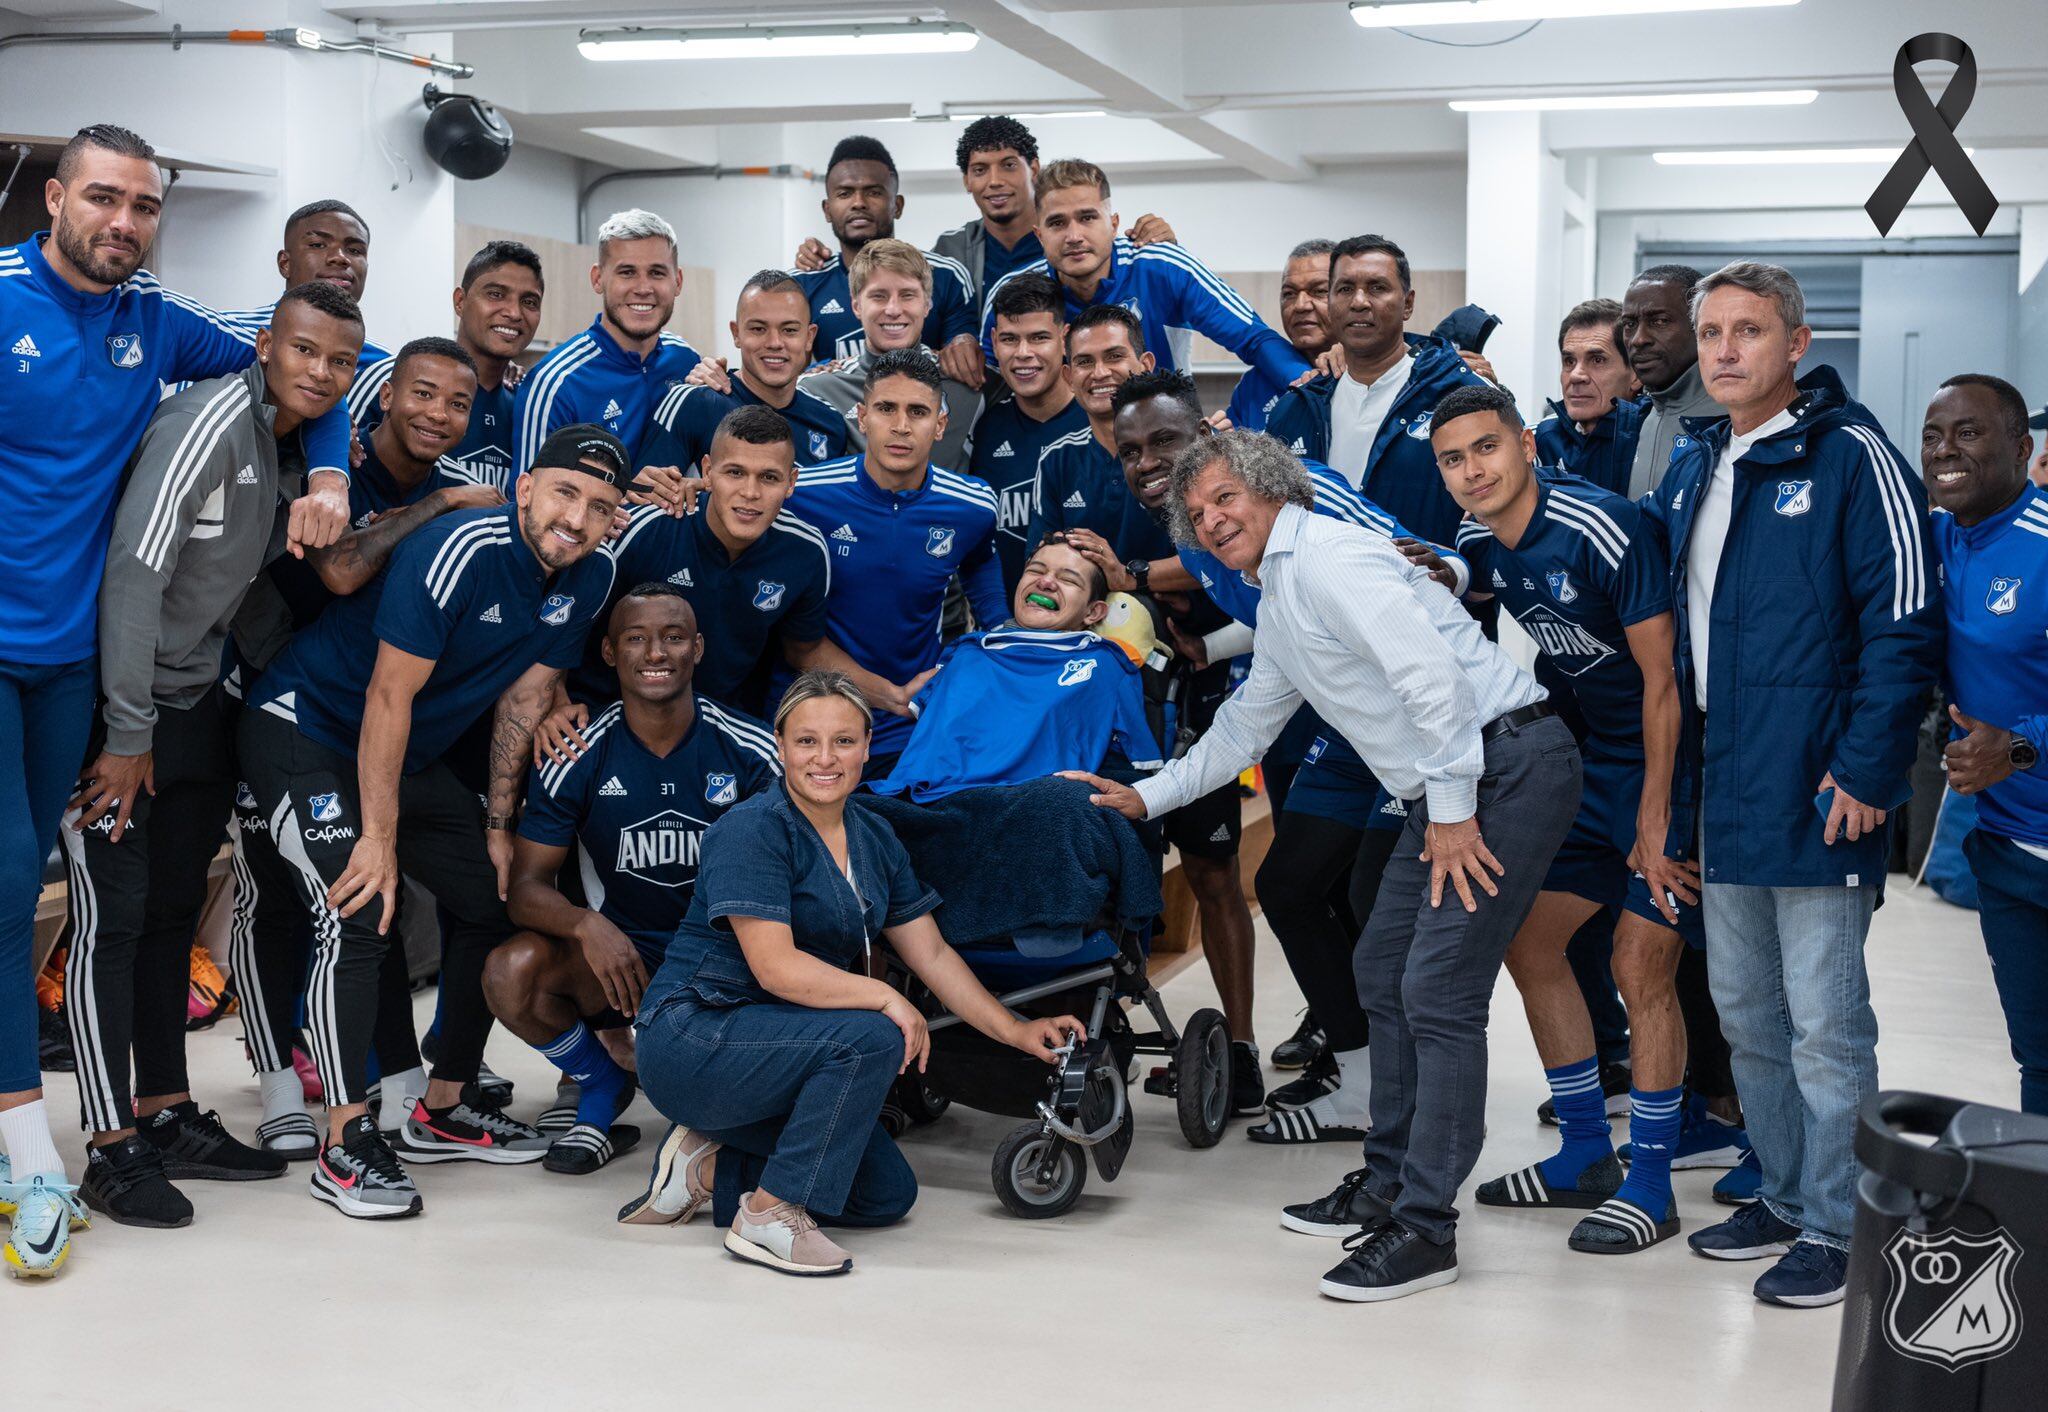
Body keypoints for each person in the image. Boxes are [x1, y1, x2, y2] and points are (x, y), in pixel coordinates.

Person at [1071, 430, 1580, 1304]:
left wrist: (1452, 815)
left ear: (1270, 489)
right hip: (1458, 780)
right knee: (1382, 967)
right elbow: (1243, 729)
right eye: (1197, 515)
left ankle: (1426, 1229)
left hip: (1505, 767)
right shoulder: (1282, 593)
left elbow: (1433, 683)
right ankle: (1387, 1184)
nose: (1213, 519)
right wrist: (1146, 800)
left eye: (1226, 498)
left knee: (1440, 992)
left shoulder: (1332, 558)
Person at [0, 123, 350, 1278]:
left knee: (85, 900)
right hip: (63, 665)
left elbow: (304, 358)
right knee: (21, 884)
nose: (124, 222)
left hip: (73, 666)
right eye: (104, 198)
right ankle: (54, 1142)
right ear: (53, 198)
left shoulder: (160, 321)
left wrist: (338, 468)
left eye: (143, 206)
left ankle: (138, 1108)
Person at [1643, 261, 1939, 1308]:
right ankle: (1778, 1190)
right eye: (1711, 331)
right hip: (1722, 784)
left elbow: (1904, 622)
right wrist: (1670, 806)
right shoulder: (1693, 463)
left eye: (1747, 331)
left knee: (1823, 1020)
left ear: (1795, 343)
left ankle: (1842, 1221)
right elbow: (1671, 653)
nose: (1723, 349)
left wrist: (1866, 765)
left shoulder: (1850, 454)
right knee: (1744, 1013)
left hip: (1816, 783)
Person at [239, 425, 627, 1218]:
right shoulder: (463, 547)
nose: (576, 519)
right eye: (563, 492)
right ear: (525, 488)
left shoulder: (592, 576)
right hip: (305, 729)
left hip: (402, 758)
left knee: (495, 899)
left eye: (599, 507)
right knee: (355, 903)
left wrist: (497, 822)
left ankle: (440, 1105)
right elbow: (389, 696)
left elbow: (524, 700)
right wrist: (376, 840)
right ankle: (344, 1142)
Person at [60, 282, 368, 1229]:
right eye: (305, 351)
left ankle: (163, 1109)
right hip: (121, 707)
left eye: (340, 361)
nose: (320, 372)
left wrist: (329, 476)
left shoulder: (286, 434)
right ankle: (107, 1148)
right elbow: (132, 578)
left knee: (165, 913)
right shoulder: (206, 422)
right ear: (266, 344)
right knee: (109, 920)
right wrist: (123, 732)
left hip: (196, 698)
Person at [625, 670, 1082, 1274]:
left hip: (781, 1048)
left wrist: (1016, 1030)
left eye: (843, 741)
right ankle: (768, 1217)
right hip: (694, 1037)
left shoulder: (873, 836)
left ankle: (705, 1168)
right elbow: (775, 968)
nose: (825, 757)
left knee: (886, 1194)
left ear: (868, 746)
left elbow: (934, 956)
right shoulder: (753, 828)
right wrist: (885, 999)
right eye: (807, 741)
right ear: (781, 747)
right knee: (872, 1033)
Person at [1111, 373, 1460, 1145]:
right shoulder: (1192, 528)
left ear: (1206, 431)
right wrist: (1207, 646)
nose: (1147, 461)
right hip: (1338, 715)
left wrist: (1450, 580)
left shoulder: (1298, 491)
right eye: (1130, 449)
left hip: (1419, 717)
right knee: (1291, 885)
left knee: (1372, 900)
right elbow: (1279, 623)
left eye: (1164, 440)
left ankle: (1406, 1102)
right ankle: (1361, 1079)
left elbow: (1415, 561)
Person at [1429, 384, 1706, 1254]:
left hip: (1679, 762)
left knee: (1638, 966)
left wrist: (1657, 817)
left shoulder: (1603, 527)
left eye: (1486, 448)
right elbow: (1479, 571)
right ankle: (1586, 1153)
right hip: (1598, 763)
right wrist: (1450, 571)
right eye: (1453, 459)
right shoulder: (1479, 534)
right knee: (1531, 941)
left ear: (1526, 445)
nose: (1473, 470)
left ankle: (1652, 1183)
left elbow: (1667, 685)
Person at [228, 337, 503, 1157]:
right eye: (422, 395)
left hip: (369, 721)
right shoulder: (340, 470)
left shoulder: (447, 483)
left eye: (456, 404)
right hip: (281, 699)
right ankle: (280, 1083)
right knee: (273, 900)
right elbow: (340, 571)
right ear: (385, 398)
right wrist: (437, 509)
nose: (438, 414)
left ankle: (398, 1085)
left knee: (371, 900)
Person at [487, 585, 780, 1172]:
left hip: (729, 959)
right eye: (637, 639)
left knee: (721, 1121)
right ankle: (601, 1085)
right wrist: (586, 925)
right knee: (510, 971)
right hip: (629, 959)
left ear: (697, 648)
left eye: (673, 637)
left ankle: (715, 1095)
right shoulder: (577, 751)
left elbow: (794, 875)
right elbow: (525, 889)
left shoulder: (750, 748)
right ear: (609, 654)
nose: (656, 653)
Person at [783, 350, 1006, 775]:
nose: (901, 426)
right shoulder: (803, 495)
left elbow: (979, 563)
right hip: (817, 718)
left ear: (940, 425)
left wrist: (1002, 636)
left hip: (914, 723)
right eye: (887, 408)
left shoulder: (972, 504)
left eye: (918, 411)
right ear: (862, 417)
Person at [1921, 374, 2048, 1114]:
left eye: (1967, 433)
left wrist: (2022, 747)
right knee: (2038, 1057)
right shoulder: (1933, 539)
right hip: (2006, 849)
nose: (1946, 451)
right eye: (1934, 434)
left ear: (2021, 448)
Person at [568, 405, 833, 714]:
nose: (750, 492)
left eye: (769, 477)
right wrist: (559, 696)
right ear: (708, 472)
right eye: (735, 472)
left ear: (790, 482)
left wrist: (895, 696)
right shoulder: (641, 530)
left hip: (722, 727)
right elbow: (565, 619)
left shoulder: (806, 551)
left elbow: (804, 649)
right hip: (606, 715)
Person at [869, 533, 1161, 800]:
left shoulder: (1106, 664)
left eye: (1068, 579)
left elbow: (1140, 771)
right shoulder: (965, 652)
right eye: (1036, 570)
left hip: (1025, 807)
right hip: (925, 802)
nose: (1045, 582)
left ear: (1093, 611)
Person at [980, 159, 1306, 387]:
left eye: (1088, 218)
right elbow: (992, 380)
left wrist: (1314, 389)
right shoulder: (1016, 293)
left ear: (1114, 224)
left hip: (1168, 438)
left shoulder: (1163, 267)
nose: (1074, 235)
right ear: (1039, 236)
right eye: (1057, 223)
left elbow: (1254, 339)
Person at [1265, 234, 1487, 544]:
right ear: (1331, 301)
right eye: (1344, 289)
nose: (1358, 302)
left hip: (1426, 588)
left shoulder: (1463, 396)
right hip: (1317, 590)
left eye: (1377, 288)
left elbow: (1507, 511)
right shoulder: (1294, 409)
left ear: (1407, 304)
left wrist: (1462, 573)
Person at [350, 239, 546, 493]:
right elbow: (339, 458)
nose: (514, 312)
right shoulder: (387, 376)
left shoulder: (529, 404)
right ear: (460, 301)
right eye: (496, 294)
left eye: (529, 302)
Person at [515, 209, 700, 473]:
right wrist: (627, 495)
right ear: (598, 278)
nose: (643, 288)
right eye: (627, 272)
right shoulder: (555, 383)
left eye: (657, 273)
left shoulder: (688, 361)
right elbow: (530, 503)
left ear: (677, 281)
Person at [788, 136, 980, 381]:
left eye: (874, 192)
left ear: (897, 205)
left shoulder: (947, 276)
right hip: (835, 417)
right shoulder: (802, 285)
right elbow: (783, 373)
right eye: (845, 193)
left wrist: (965, 341)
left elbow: (963, 363)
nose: (859, 203)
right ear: (827, 210)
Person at [793, 240, 982, 473]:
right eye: (879, 296)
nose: (893, 309)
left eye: (907, 295)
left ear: (927, 304)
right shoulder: (817, 391)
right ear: (856, 306)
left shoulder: (970, 382)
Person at [643, 271, 846, 473]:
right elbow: (644, 498)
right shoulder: (695, 404)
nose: (775, 343)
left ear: (809, 337)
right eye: (758, 329)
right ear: (736, 333)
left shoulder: (830, 422)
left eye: (790, 330)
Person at [971, 274, 1088, 593]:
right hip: (1005, 627)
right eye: (1010, 339)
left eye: (1038, 338)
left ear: (1065, 338)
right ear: (993, 341)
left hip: (1091, 627)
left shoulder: (1101, 423)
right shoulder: (981, 427)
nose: (1023, 352)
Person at [218, 199, 392, 371]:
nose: (340, 257)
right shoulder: (226, 336)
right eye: (318, 245)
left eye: (354, 250)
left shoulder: (383, 366)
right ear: (285, 264)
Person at [1621, 264, 1719, 498]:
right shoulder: (1632, 423)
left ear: (1701, 327)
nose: (1638, 339)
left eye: (1660, 321)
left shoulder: (1735, 418)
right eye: (1629, 324)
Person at [932, 116, 1046, 313]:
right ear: (967, 180)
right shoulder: (950, 250)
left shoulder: (1065, 238)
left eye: (1009, 165)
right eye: (980, 170)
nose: (995, 181)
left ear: (1034, 170)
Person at [1534, 298, 1644, 495]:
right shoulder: (1542, 438)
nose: (1576, 375)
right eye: (1569, 361)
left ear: (1635, 374)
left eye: (1597, 360)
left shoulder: (1656, 444)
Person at [1227, 239, 1337, 433]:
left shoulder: (1365, 374)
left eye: (1319, 291)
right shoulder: (1255, 385)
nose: (1300, 305)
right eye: (1289, 293)